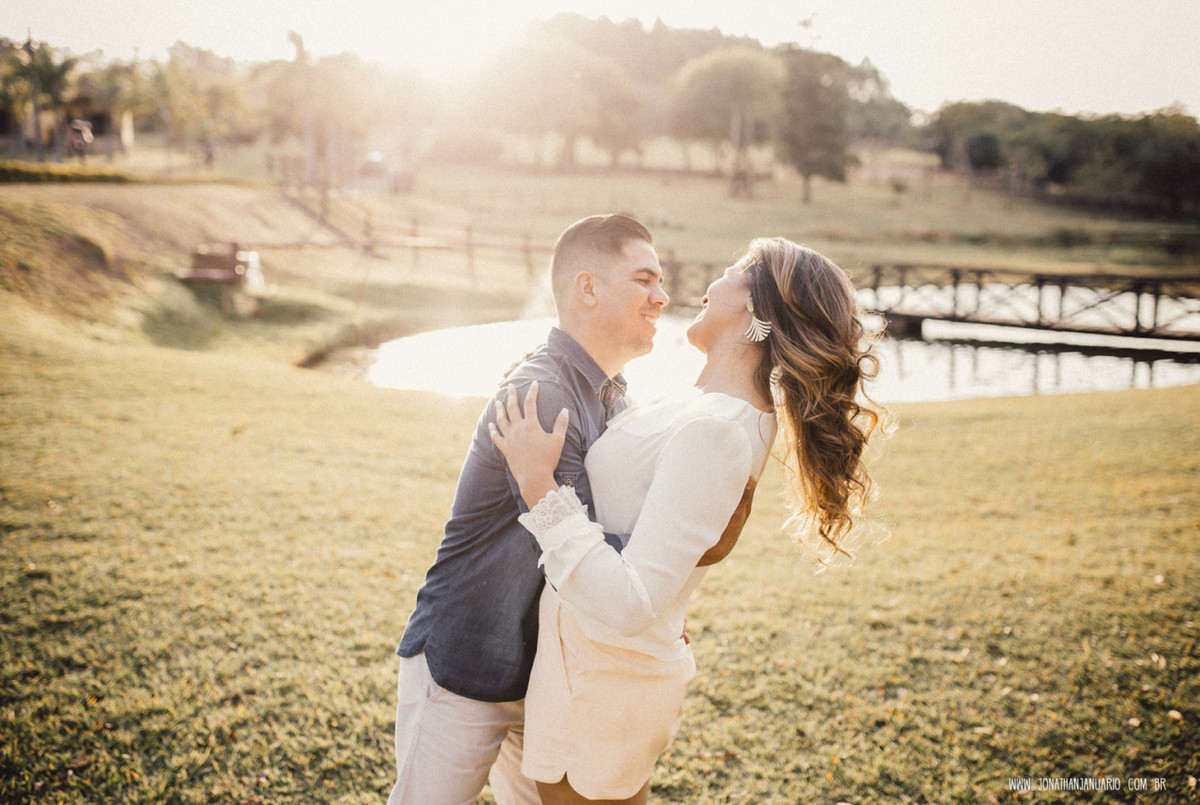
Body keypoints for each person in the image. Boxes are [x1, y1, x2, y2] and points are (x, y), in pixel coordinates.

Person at [489, 237, 887, 803]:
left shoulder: (719, 429)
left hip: (603, 683)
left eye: (727, 274)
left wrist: (539, 487)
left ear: (753, 307)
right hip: (581, 666)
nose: (704, 289)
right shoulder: (704, 408)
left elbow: (630, 604)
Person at [387, 214, 753, 804]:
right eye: (644, 279)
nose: (662, 296)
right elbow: (577, 534)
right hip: (466, 665)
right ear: (587, 288)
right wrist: (687, 550)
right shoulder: (543, 394)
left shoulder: (615, 398)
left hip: (542, 679)